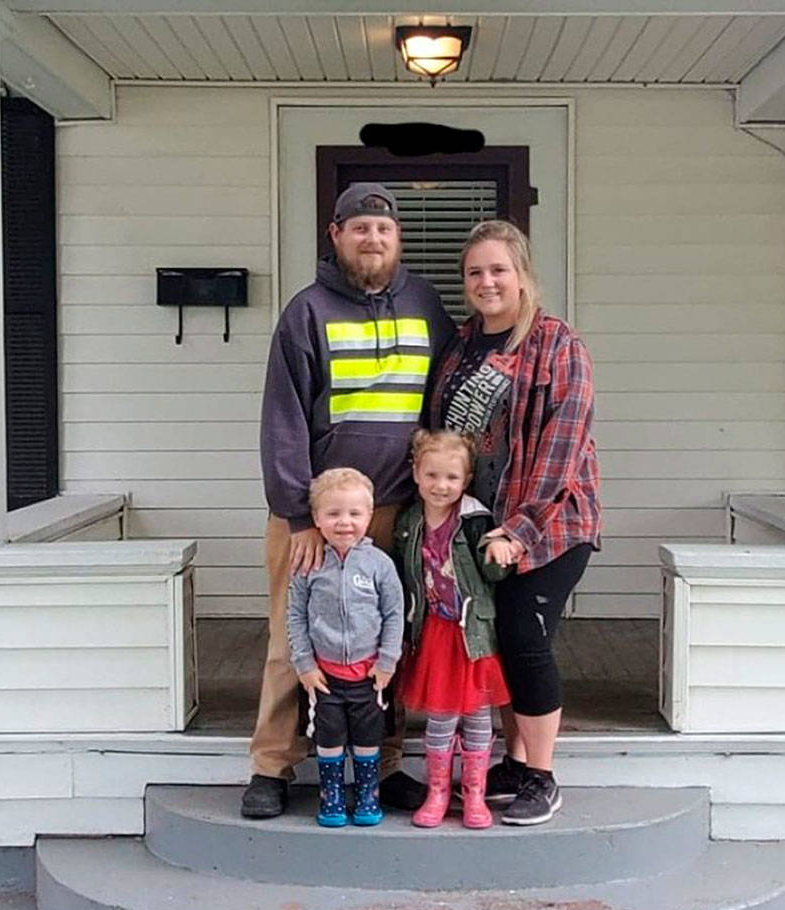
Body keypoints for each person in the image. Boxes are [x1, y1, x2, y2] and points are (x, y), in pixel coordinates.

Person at [243, 183, 453, 819]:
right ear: (335, 236)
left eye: (384, 230)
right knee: (292, 637)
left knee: (386, 637)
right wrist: (300, 513)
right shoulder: (306, 312)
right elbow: (282, 418)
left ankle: (380, 765)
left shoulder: (426, 305)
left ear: (398, 239)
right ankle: (272, 767)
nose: (373, 239)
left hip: (395, 511)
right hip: (315, 515)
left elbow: (442, 403)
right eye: (360, 228)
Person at [427, 220, 601, 827]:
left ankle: (542, 775)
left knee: (526, 639)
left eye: (499, 269)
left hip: (552, 524)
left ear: (523, 276)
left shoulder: (558, 345)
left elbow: (563, 448)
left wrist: (519, 530)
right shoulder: (458, 349)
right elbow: (442, 441)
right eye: (475, 272)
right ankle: (514, 761)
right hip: (481, 526)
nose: (486, 281)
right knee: (494, 638)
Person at [394, 430, 513, 830]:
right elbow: (403, 573)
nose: (440, 486)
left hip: (471, 636)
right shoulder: (409, 521)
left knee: (478, 716)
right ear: (415, 473)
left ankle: (475, 793)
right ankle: (438, 791)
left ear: (466, 480)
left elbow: (493, 573)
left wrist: (501, 550)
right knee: (440, 717)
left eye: (451, 478)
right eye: (432, 475)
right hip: (433, 633)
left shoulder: (475, 521)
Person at [288, 468, 404, 827]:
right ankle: (332, 796)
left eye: (355, 514)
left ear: (369, 517)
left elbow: (394, 613)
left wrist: (387, 661)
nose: (344, 523)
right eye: (333, 514)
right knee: (329, 736)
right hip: (325, 678)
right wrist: (304, 664)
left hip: (369, 676)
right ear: (317, 519)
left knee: (369, 738)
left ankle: (368, 794)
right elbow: (295, 617)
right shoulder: (309, 565)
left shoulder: (379, 564)